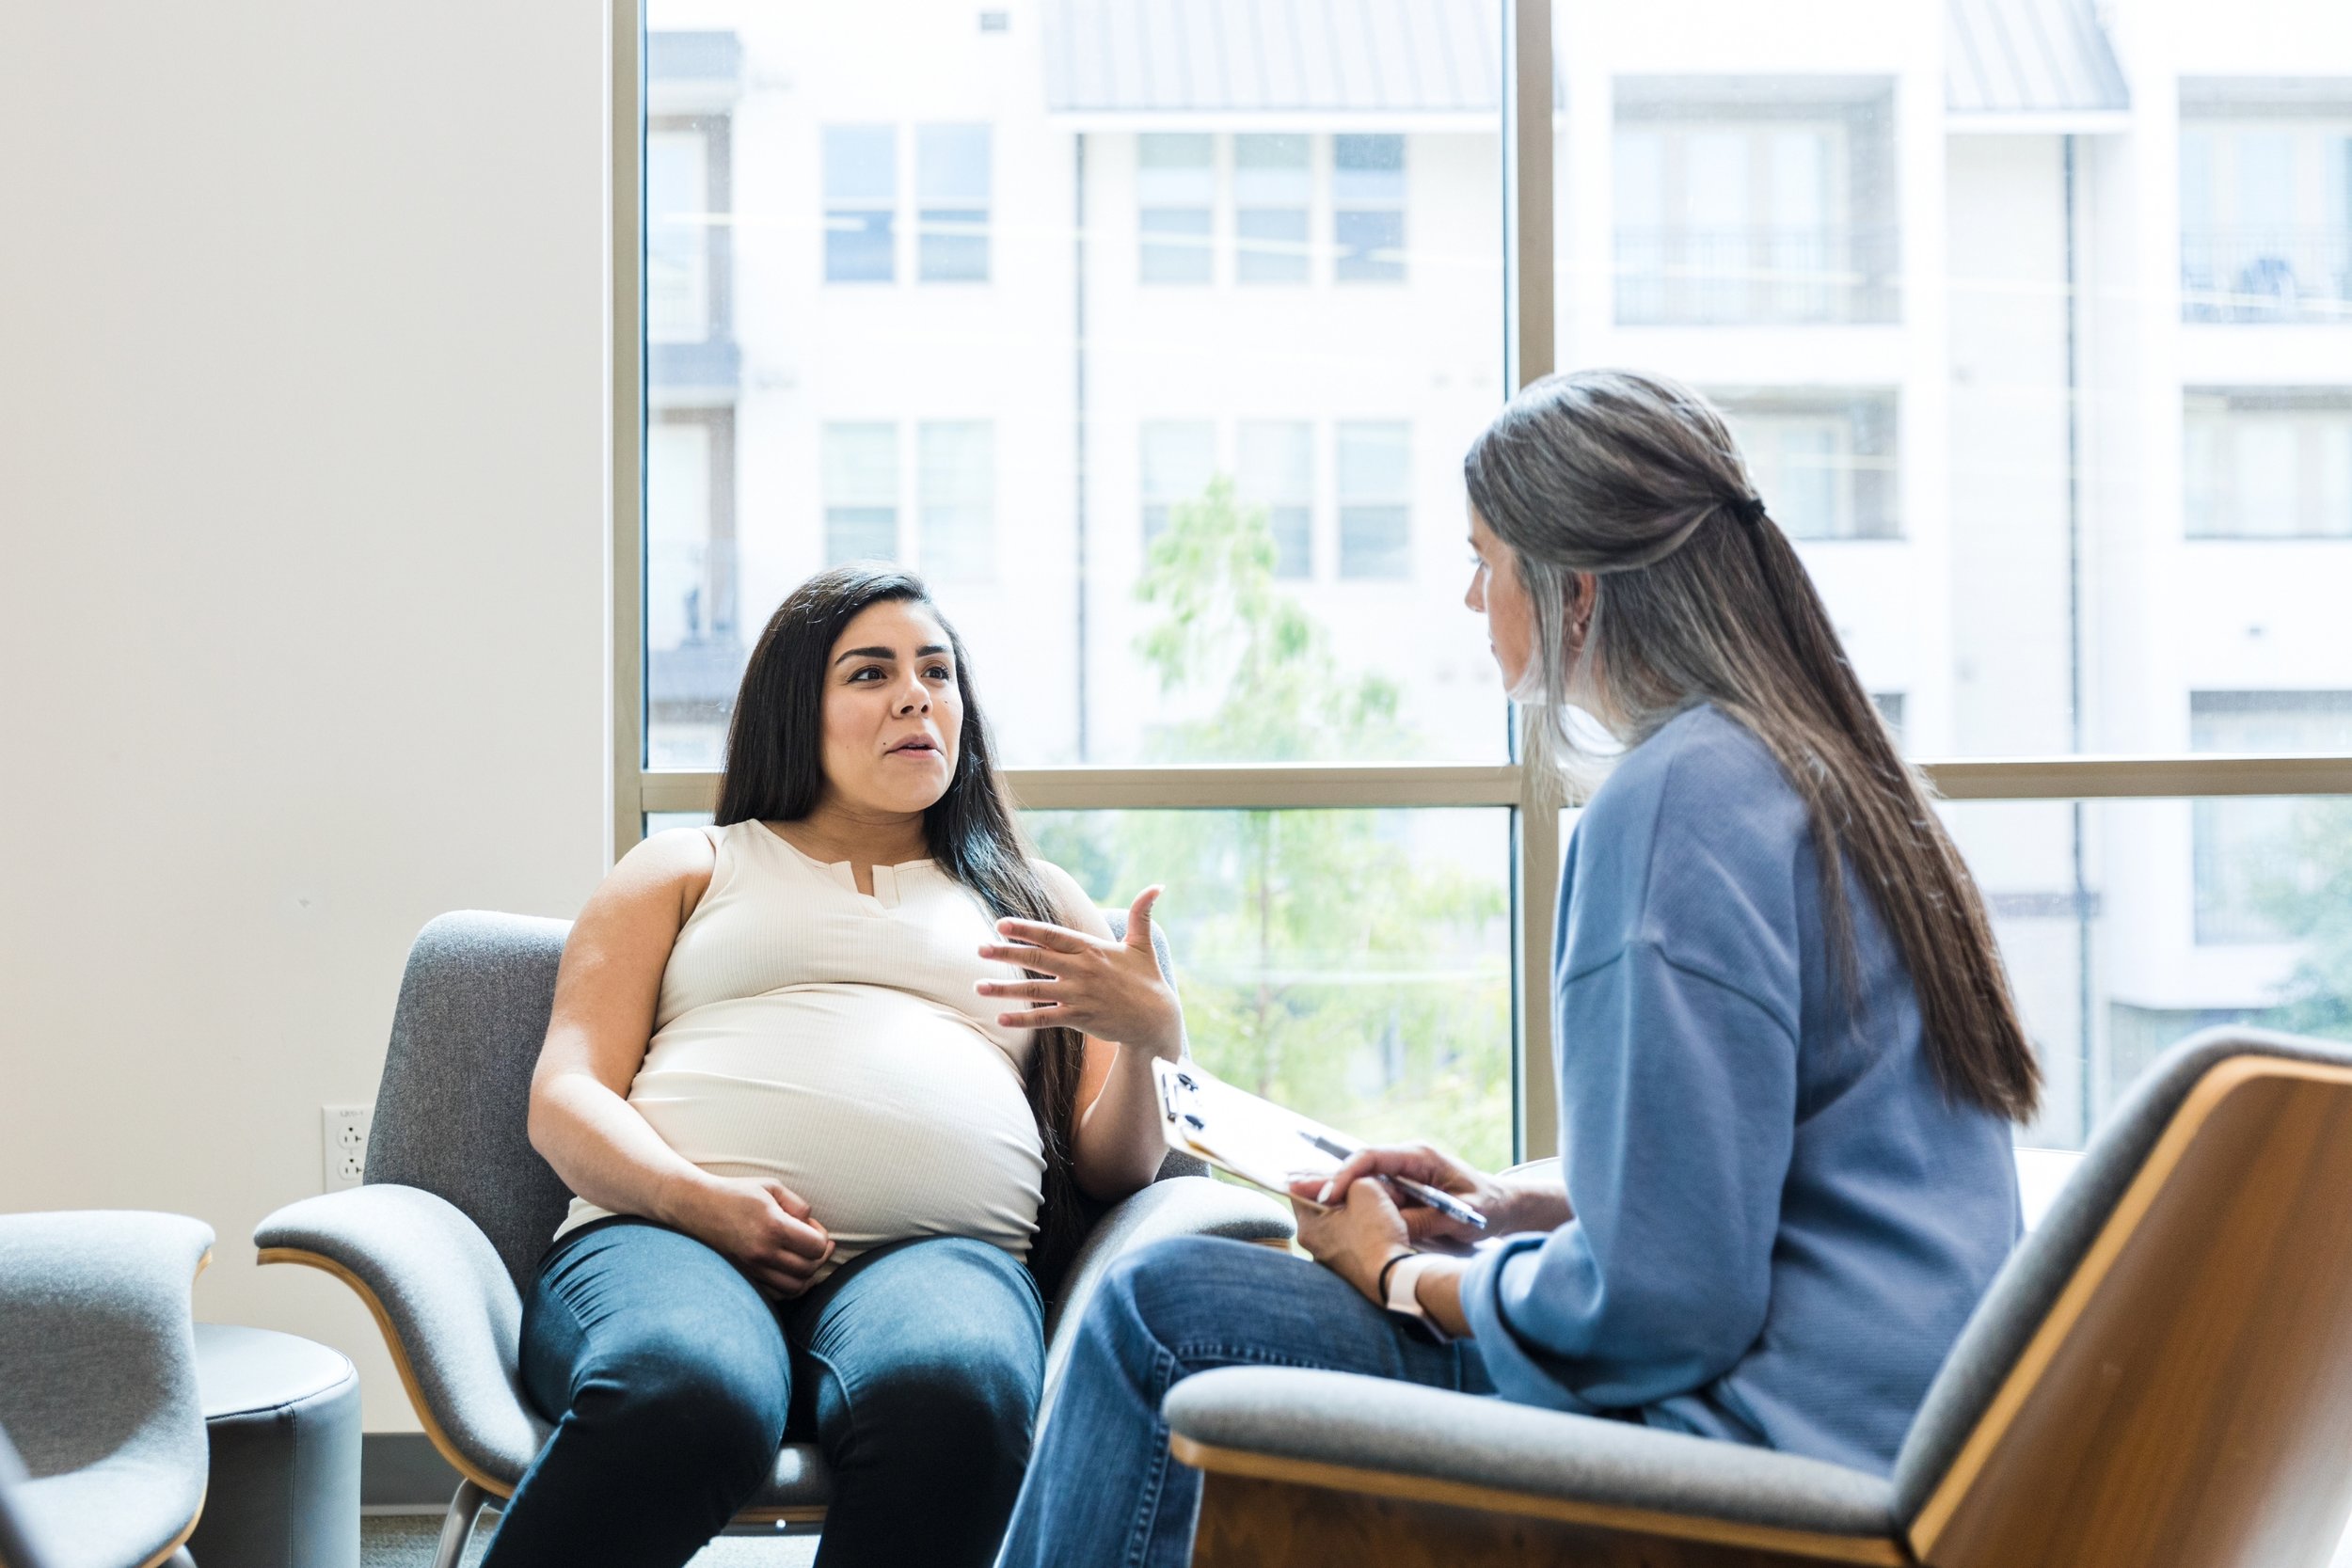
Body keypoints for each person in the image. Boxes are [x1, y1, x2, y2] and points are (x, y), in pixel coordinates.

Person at [997, 368, 2041, 1568]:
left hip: (1752, 1453)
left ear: (1575, 591)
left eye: (1484, 559)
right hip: (1890, 1425)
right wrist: (1513, 1207)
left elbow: (1664, 1310)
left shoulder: (1674, 806)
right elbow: (1795, 1172)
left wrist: (1400, 1273)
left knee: (1164, 1310)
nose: (1468, 594)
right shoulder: (1836, 775)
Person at [481, 566, 1183, 1568]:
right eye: (871, 672)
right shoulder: (688, 867)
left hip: (937, 1259)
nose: (915, 695)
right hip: (668, 1241)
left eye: (936, 671)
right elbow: (566, 1094)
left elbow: (1110, 1170)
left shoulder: (1039, 899)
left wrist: (1156, 1040)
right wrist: (697, 1200)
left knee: (958, 1389)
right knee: (688, 1388)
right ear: (792, 708)